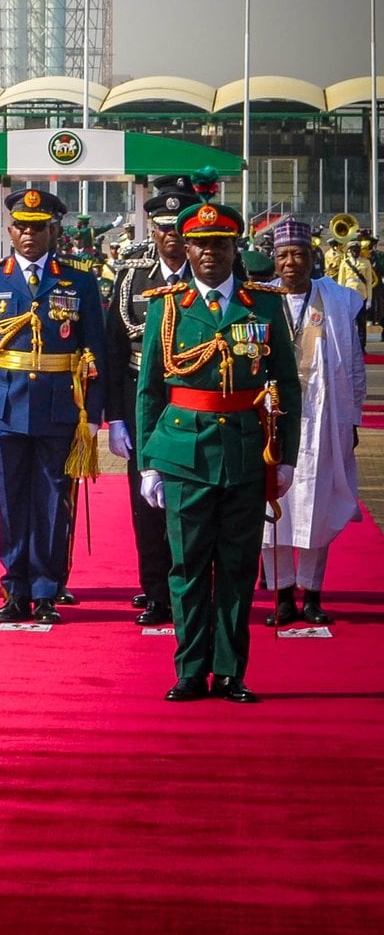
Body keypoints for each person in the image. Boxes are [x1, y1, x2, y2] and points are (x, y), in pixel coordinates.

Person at [135, 200, 300, 704]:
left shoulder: (264, 306)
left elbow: (286, 386)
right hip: (183, 450)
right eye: (201, 245)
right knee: (185, 567)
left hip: (247, 452)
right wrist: (147, 463)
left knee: (237, 565)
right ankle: (190, 670)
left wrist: (286, 455)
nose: (211, 253)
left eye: (221, 244)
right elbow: (149, 391)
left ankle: (229, 671)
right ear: (186, 249)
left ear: (236, 249)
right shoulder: (167, 306)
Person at [0, 188, 108, 625]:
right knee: (10, 500)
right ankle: (15, 586)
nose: (29, 235)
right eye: (21, 228)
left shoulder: (78, 280)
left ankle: (46, 587)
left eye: (38, 227)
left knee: (51, 498)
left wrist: (93, 414)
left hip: (59, 405)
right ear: (9, 231)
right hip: (6, 403)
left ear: (54, 230)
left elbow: (95, 349)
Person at [260, 217, 363, 627]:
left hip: (323, 417)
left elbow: (353, 363)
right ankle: (283, 594)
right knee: (275, 503)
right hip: (270, 418)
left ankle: (313, 593)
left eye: (299, 254)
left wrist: (352, 417)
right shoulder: (260, 299)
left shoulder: (338, 300)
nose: (291, 263)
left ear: (311, 257)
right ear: (274, 259)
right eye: (284, 255)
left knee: (318, 504)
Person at [102, 184, 197, 626]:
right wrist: (116, 417)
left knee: (193, 500)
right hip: (143, 397)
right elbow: (114, 349)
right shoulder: (133, 278)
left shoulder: (208, 273)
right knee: (147, 501)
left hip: (194, 399)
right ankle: (156, 590)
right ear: (153, 232)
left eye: (179, 228)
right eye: (163, 228)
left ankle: (192, 588)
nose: (172, 236)